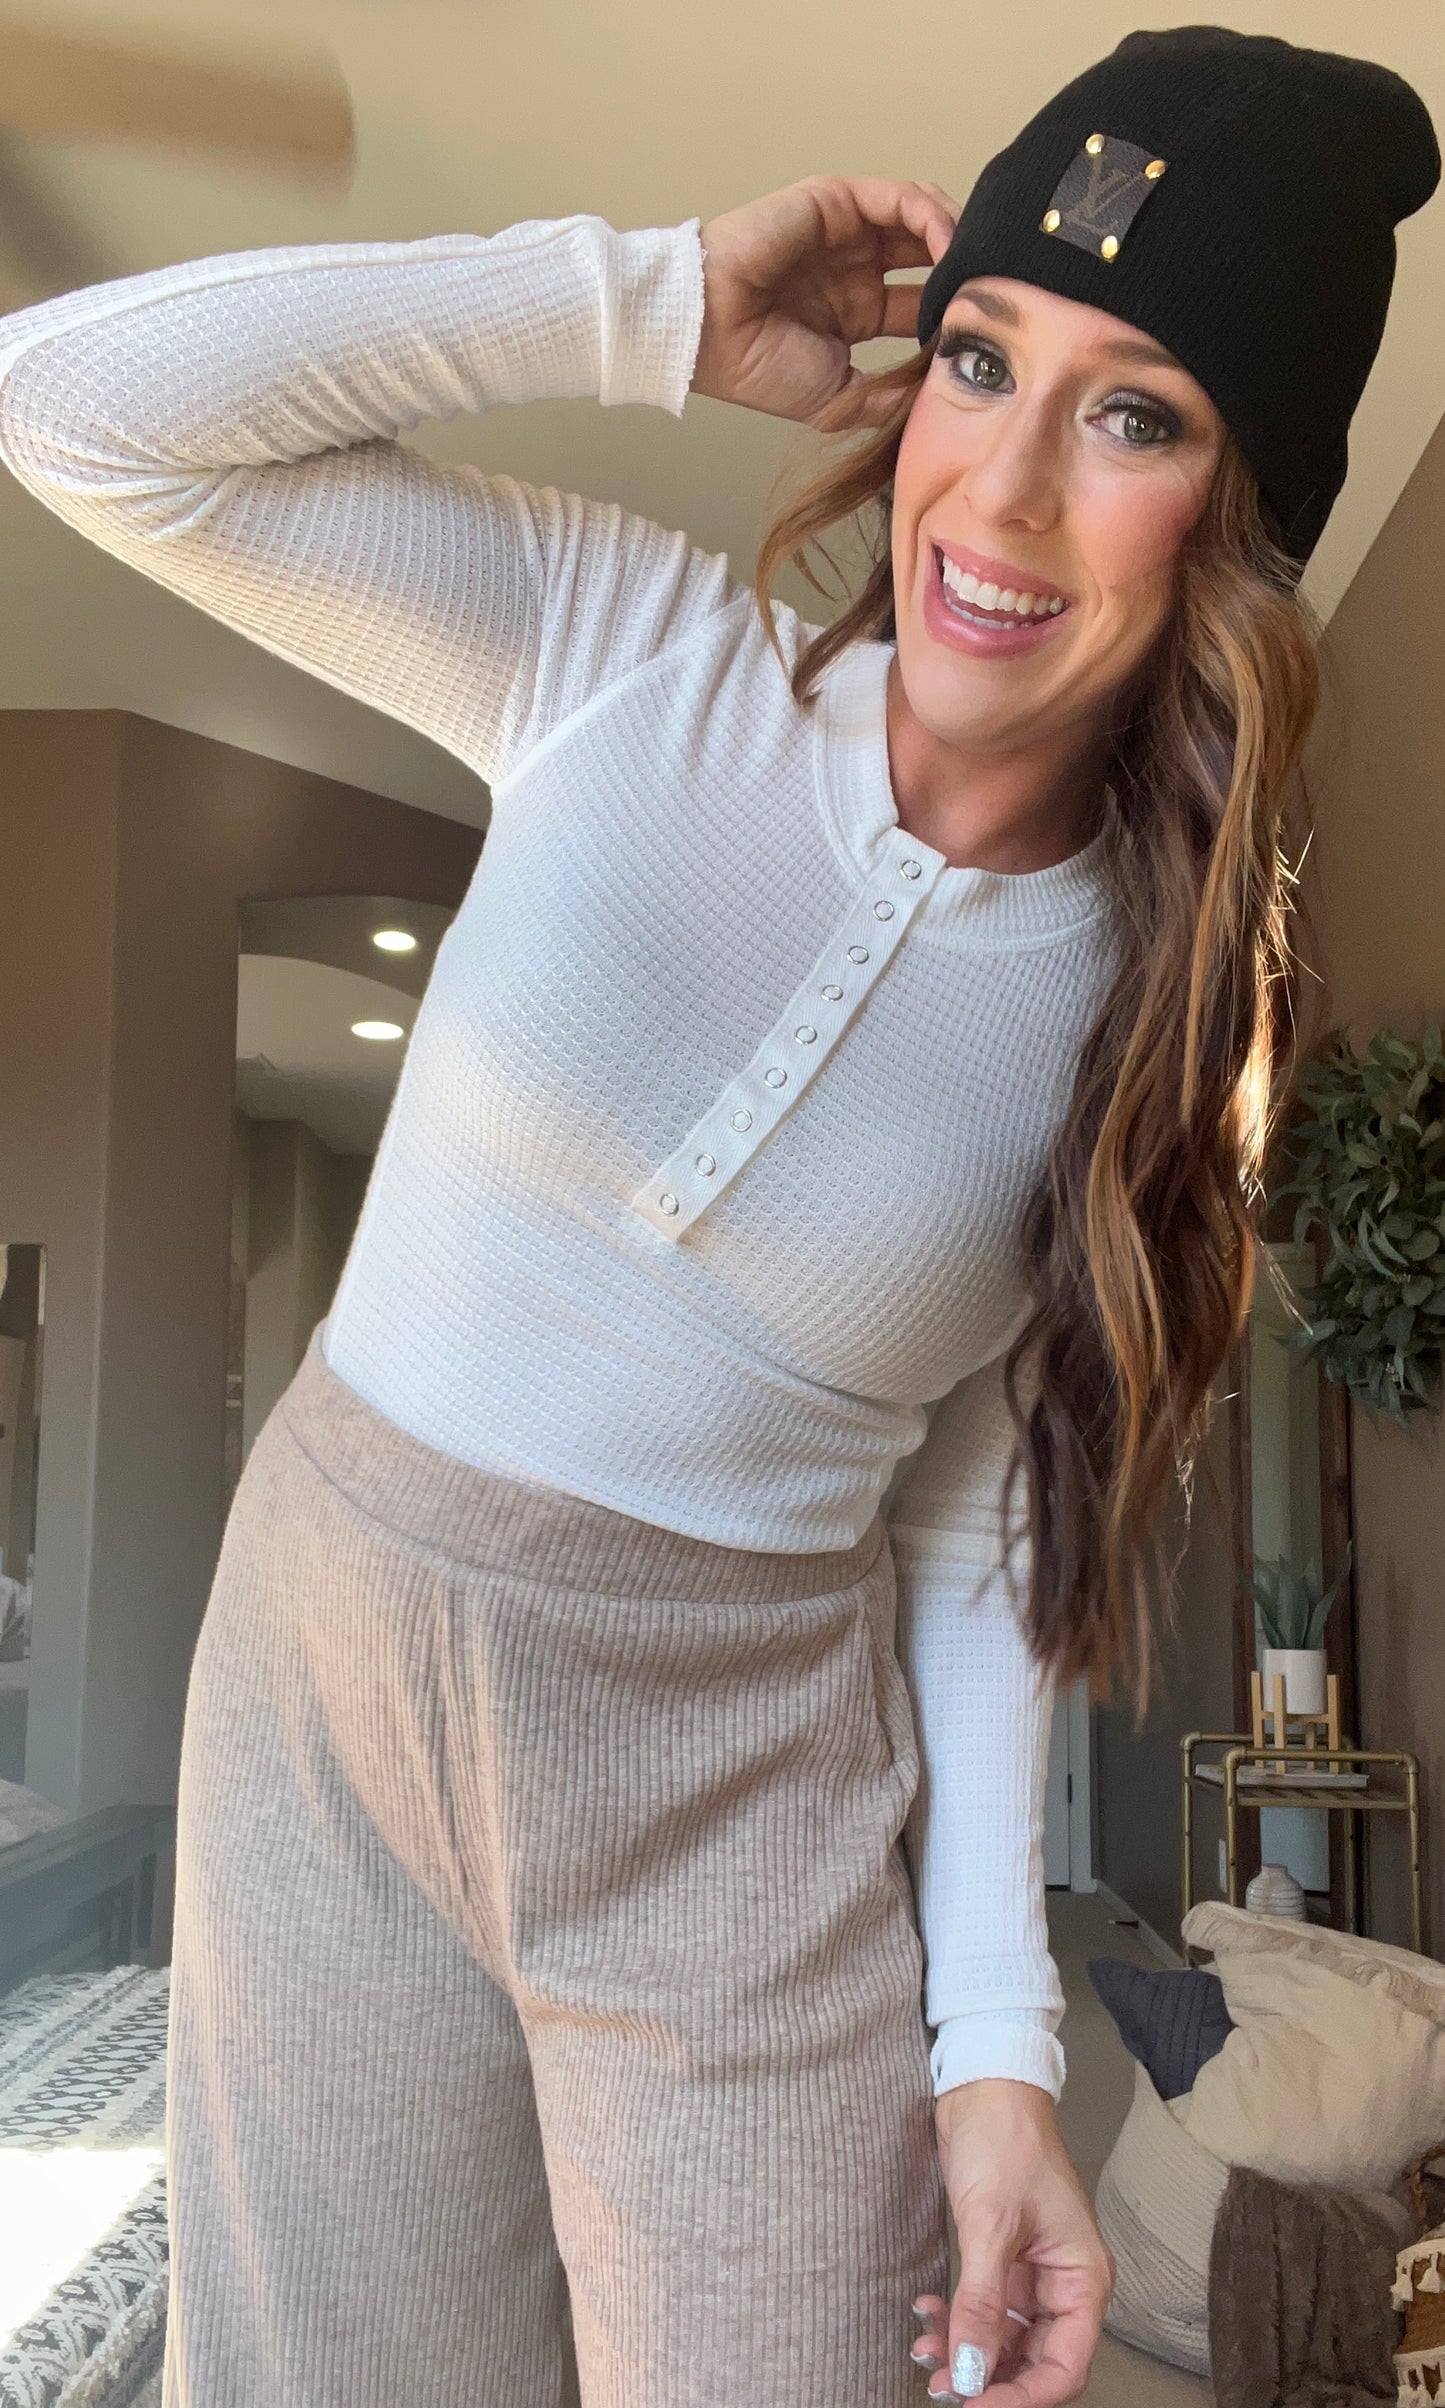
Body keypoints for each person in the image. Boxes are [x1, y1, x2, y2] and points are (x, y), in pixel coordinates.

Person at [0, 23, 1435, 2408]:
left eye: (1135, 414)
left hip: (741, 1783)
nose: (999, 493)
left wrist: (1000, 2044)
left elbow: (982, 1517)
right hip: (327, 1671)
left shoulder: (1141, 1019)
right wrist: (641, 297)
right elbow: (70, 405)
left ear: (1242, 529)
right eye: (980, 356)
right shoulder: (623, 652)